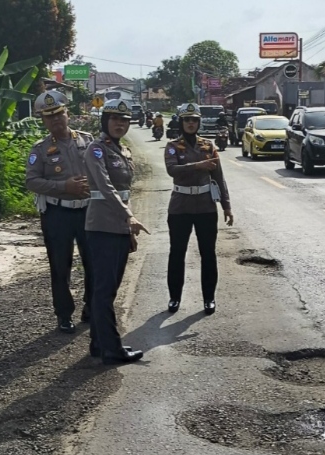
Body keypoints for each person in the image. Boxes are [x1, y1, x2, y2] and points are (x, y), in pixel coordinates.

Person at [83, 100, 149, 365]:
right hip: (101, 226)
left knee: (107, 289)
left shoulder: (122, 151)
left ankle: (99, 343)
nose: (120, 124)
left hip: (118, 226)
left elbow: (125, 193)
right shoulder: (96, 150)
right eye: (114, 120)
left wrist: (128, 229)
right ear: (104, 122)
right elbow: (106, 188)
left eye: (124, 120)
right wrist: (129, 217)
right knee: (104, 291)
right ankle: (112, 349)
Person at [25, 89, 97, 333]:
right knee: (59, 265)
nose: (55, 119)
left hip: (88, 211)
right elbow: (32, 181)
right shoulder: (40, 149)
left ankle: (91, 307)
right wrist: (63, 186)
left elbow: (102, 170)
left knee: (94, 262)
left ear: (67, 114)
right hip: (58, 214)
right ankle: (64, 314)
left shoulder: (87, 141)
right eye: (49, 116)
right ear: (44, 121)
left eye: (59, 113)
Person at [163, 103, 233, 315]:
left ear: (199, 123)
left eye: (194, 120)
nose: (191, 123)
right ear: (181, 123)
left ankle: (209, 298)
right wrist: (198, 166)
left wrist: (226, 207)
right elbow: (172, 170)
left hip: (205, 207)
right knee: (177, 253)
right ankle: (175, 297)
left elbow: (219, 178)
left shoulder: (208, 146)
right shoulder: (173, 146)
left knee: (208, 254)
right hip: (180, 206)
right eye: (187, 120)